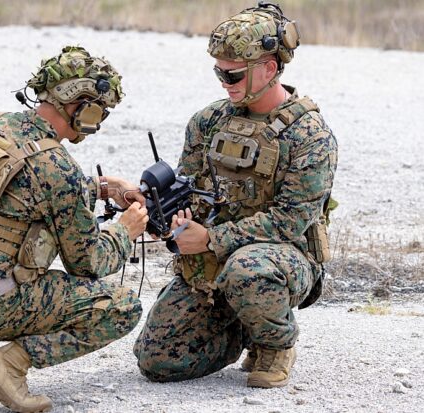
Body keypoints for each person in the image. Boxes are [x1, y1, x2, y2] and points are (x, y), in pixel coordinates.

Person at [0, 46, 147, 412]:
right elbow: (89, 263)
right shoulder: (58, 167)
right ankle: (9, 364)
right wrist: (124, 231)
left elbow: (19, 188)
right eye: (100, 110)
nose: (99, 121)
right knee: (121, 307)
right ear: (82, 104)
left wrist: (100, 187)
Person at [134, 2, 338, 388]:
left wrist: (210, 238)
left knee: (248, 270)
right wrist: (161, 212)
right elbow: (190, 189)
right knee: (158, 361)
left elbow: (290, 221)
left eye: (233, 74)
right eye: (219, 72)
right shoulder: (209, 122)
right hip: (214, 261)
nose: (224, 82)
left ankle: (274, 345)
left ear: (269, 69)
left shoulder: (310, 136)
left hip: (280, 260)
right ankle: (241, 326)